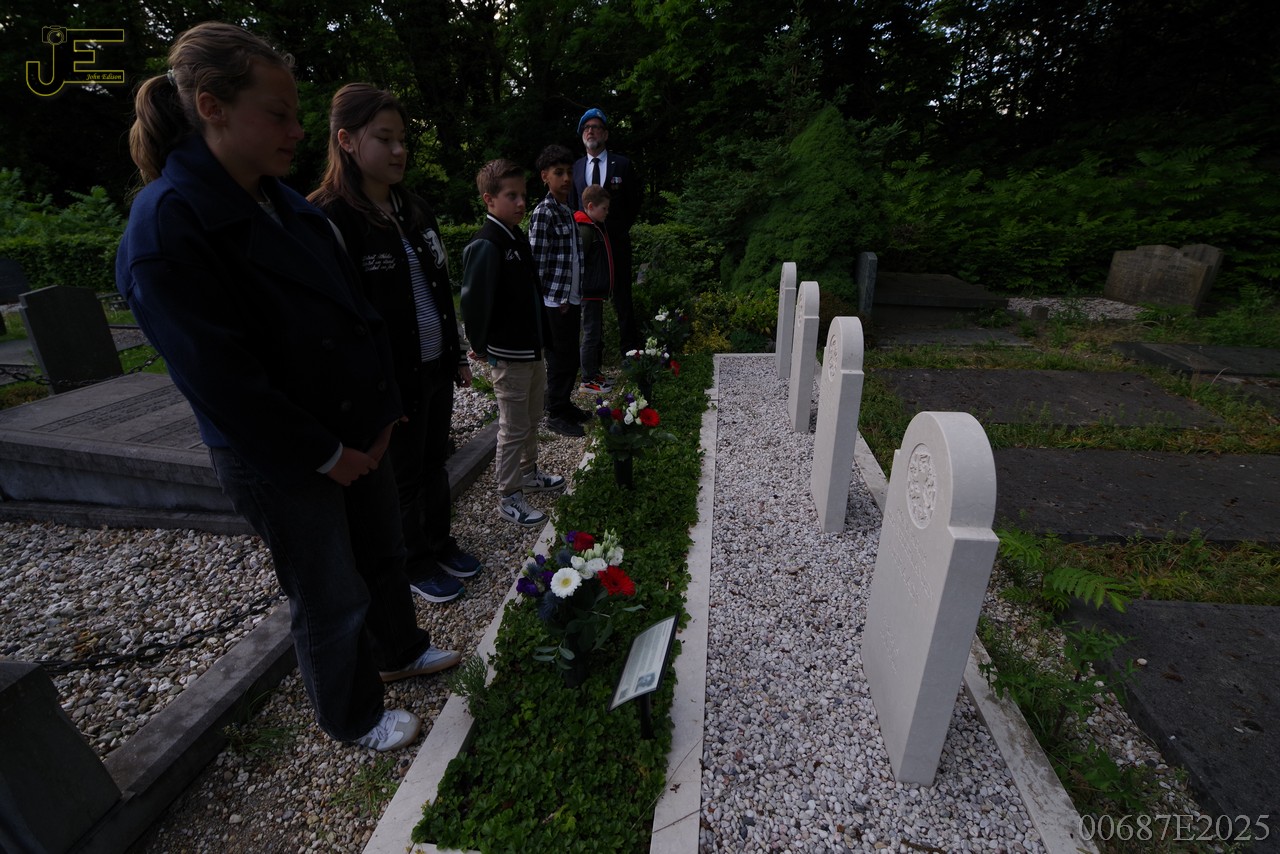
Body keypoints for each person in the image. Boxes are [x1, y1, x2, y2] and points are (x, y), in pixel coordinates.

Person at [115, 22, 458, 753]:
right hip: (284, 455)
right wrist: (326, 453)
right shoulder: (169, 227)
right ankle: (352, 715)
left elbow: (359, 315)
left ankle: (398, 649)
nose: (299, 131)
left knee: (382, 553)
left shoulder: (284, 203)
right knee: (329, 589)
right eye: (278, 114)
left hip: (357, 430)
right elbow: (222, 381)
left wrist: (382, 414)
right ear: (212, 107)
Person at [308, 83, 480, 606]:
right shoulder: (330, 218)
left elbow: (440, 286)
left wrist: (454, 354)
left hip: (433, 365)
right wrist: (372, 390)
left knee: (434, 462)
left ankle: (440, 541)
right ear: (347, 140)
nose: (399, 150)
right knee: (401, 476)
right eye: (385, 139)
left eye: (402, 139)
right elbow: (335, 320)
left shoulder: (414, 208)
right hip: (388, 379)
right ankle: (414, 561)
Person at [460, 159, 566, 528]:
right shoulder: (487, 243)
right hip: (509, 352)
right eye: (511, 196)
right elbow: (474, 303)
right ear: (489, 199)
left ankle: (529, 472)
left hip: (530, 348)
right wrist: (481, 344)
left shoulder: (515, 236)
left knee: (532, 418)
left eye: (523, 195)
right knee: (513, 426)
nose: (521, 203)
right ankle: (509, 495)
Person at [528, 144, 589, 437]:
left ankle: (565, 404)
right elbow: (536, 263)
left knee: (570, 356)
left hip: (571, 296)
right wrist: (546, 301)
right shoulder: (544, 212)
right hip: (555, 301)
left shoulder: (566, 210)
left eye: (569, 172)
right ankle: (555, 412)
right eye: (558, 173)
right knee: (559, 358)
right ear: (545, 176)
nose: (566, 178)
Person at [570, 107, 642, 356]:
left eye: (596, 127)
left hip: (616, 241)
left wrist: (618, 228)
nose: (590, 131)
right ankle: (593, 355)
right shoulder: (576, 167)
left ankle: (629, 351)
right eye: (586, 128)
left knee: (622, 296)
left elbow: (634, 201)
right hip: (587, 246)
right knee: (590, 299)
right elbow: (573, 205)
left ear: (606, 134)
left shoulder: (622, 164)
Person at [574, 184, 614, 394]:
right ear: (591, 206)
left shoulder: (595, 227)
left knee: (596, 334)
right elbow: (578, 262)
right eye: (604, 208)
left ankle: (594, 372)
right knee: (590, 334)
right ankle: (587, 379)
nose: (606, 213)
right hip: (589, 292)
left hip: (595, 292)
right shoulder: (585, 230)